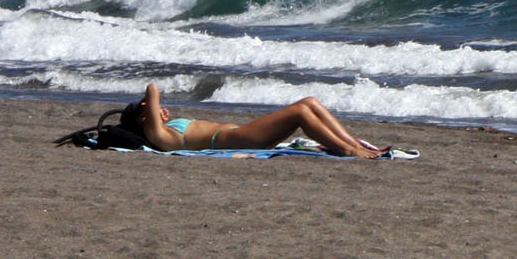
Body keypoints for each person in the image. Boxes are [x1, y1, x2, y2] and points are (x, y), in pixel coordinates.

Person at [128, 81, 389, 157]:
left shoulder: (164, 128)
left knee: (309, 102)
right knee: (299, 114)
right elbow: (153, 88)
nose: (162, 110)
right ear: (143, 119)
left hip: (240, 134)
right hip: (235, 141)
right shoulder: (158, 135)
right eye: (150, 111)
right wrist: (146, 107)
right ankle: (346, 150)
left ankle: (355, 144)